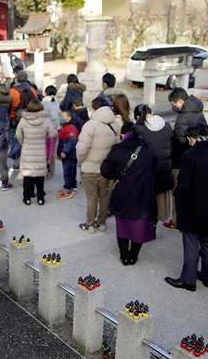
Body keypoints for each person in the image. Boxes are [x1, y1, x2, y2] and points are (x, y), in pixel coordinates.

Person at [164, 123, 208, 292]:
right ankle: (207, 277)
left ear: (192, 138)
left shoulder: (190, 155)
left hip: (192, 207)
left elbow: (183, 186)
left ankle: (188, 280)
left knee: (191, 243)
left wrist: (178, 198)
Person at [101, 125, 157, 265]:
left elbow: (105, 170)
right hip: (143, 192)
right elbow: (155, 167)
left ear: (123, 134)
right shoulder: (149, 148)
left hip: (123, 191)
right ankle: (133, 255)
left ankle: (124, 255)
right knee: (139, 225)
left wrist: (117, 174)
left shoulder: (118, 149)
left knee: (123, 225)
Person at [77, 97, 121, 232]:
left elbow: (81, 148)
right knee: (105, 196)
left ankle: (90, 224)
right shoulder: (115, 123)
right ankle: (101, 223)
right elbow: (117, 145)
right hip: (107, 169)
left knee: (92, 197)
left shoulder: (90, 125)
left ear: (94, 108)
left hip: (90, 169)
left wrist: (80, 161)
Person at [166, 87, 207, 229]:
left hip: (182, 161)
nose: (173, 106)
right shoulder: (198, 111)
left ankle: (177, 221)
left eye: (173, 103)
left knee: (178, 193)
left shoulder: (183, 118)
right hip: (199, 157)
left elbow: (180, 142)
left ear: (180, 101)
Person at [134, 105, 174, 224]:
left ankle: (148, 227)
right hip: (165, 169)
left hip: (147, 170)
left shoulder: (138, 128)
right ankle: (155, 224)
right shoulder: (166, 125)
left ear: (137, 116)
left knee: (147, 202)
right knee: (159, 200)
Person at [16, 100, 57, 205]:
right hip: (40, 150)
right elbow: (52, 134)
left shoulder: (23, 120)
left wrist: (23, 143)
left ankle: (27, 198)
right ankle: (40, 198)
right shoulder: (46, 120)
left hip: (27, 150)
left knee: (27, 175)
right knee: (39, 176)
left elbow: (18, 134)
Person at [57, 111, 80, 200]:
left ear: (69, 118)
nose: (61, 117)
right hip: (71, 154)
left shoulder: (70, 128)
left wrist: (64, 151)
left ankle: (67, 187)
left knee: (68, 171)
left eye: (63, 116)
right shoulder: (65, 127)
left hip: (69, 155)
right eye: (61, 116)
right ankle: (73, 185)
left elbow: (72, 141)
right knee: (72, 170)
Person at [42, 85, 61, 178]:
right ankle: (51, 171)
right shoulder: (57, 102)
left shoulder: (43, 102)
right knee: (52, 150)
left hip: (44, 129)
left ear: (45, 92)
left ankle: (44, 170)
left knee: (44, 150)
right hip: (55, 129)